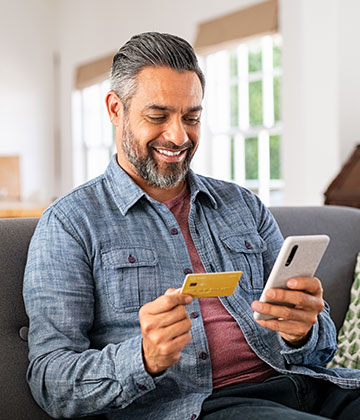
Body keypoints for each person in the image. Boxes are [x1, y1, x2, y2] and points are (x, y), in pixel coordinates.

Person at [23, 32, 360, 420]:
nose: (179, 136)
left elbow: (318, 351)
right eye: (158, 116)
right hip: (199, 407)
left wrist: (301, 330)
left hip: (307, 383)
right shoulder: (70, 223)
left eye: (192, 117)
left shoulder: (243, 205)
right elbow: (49, 380)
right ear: (116, 109)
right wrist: (143, 358)